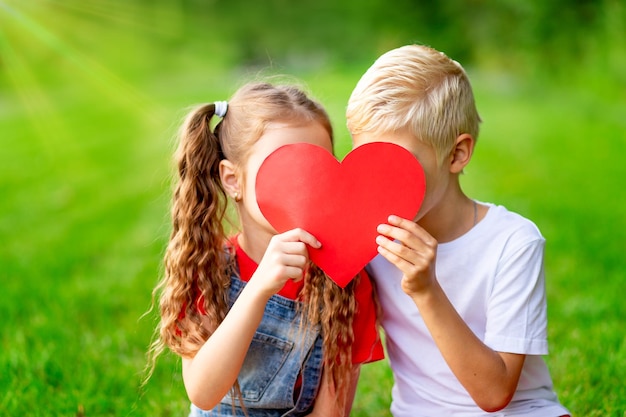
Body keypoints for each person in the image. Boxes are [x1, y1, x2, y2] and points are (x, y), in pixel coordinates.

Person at [346, 44, 570, 417]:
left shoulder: (513, 243)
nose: (380, 181)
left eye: (399, 162)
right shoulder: (367, 242)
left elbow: (494, 394)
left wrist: (425, 289)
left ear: (456, 154)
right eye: (369, 160)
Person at [148, 81, 384, 417]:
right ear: (233, 180)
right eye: (284, 168)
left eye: (318, 168)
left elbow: (331, 413)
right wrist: (258, 290)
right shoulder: (208, 270)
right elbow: (203, 393)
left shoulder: (345, 282)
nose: (305, 185)